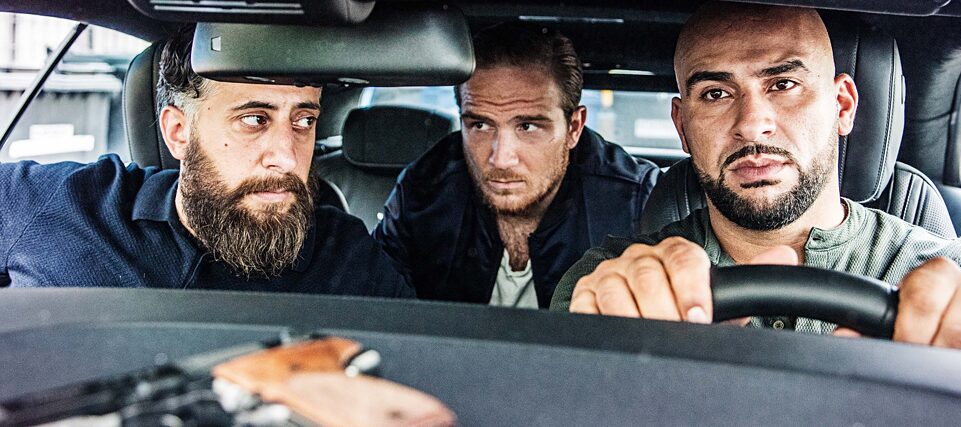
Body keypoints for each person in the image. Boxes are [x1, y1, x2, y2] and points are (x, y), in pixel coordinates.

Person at [550, 2, 961, 352]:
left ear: (843, 107)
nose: (752, 125)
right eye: (716, 93)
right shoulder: (611, 282)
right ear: (682, 127)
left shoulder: (958, 272)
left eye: (783, 84)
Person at [0, 26, 413, 298]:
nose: (287, 158)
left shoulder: (348, 262)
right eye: (255, 119)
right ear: (179, 132)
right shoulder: (60, 205)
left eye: (304, 121)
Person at [373, 22, 659, 308]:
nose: (501, 158)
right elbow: (377, 306)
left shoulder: (637, 205)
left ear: (574, 128)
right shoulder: (422, 194)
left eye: (527, 126)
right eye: (480, 125)